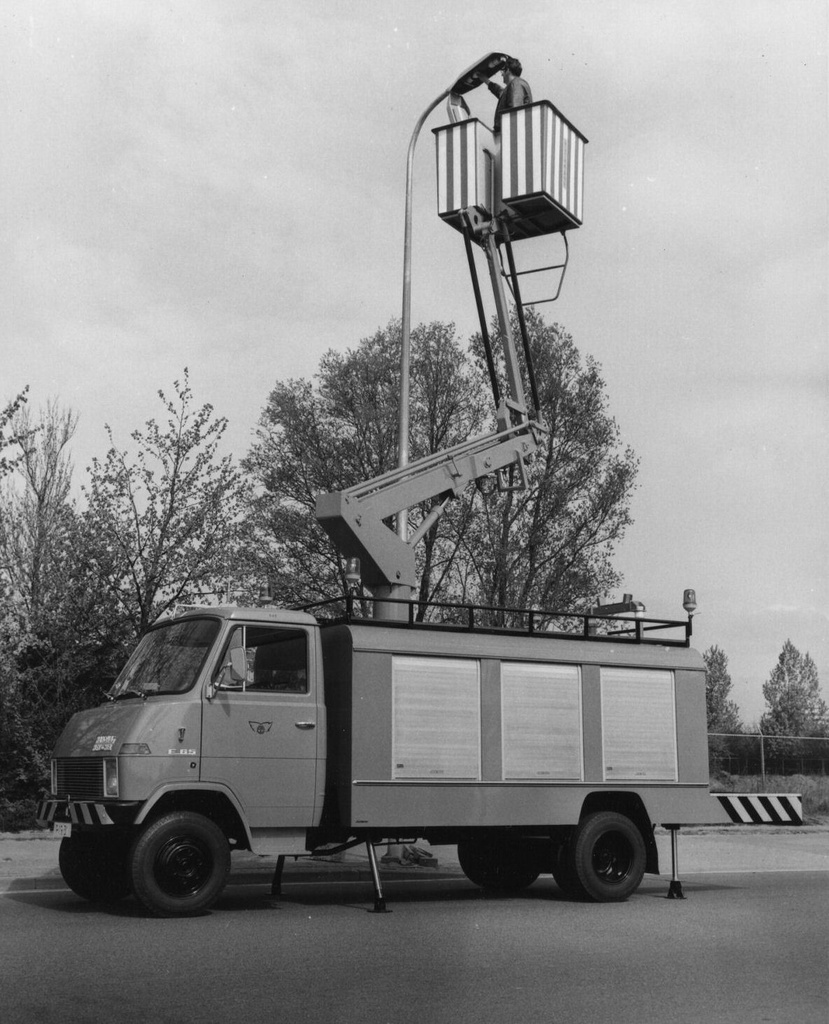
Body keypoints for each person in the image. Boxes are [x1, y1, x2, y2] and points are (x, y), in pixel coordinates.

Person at [480, 58, 532, 129]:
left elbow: (514, 112)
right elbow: (499, 91)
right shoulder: (514, 85)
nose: (501, 74)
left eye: (502, 71)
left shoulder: (516, 84)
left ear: (508, 70)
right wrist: (484, 79)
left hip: (511, 133)